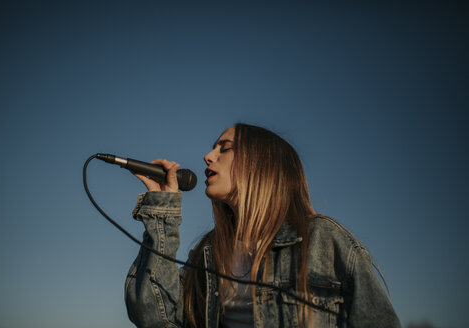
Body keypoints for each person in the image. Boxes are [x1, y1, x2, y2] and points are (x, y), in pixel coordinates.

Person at [124, 123, 401, 328]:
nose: (208, 156)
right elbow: (155, 317)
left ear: (262, 163)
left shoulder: (324, 241)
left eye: (225, 148)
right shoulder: (209, 254)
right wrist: (163, 208)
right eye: (212, 148)